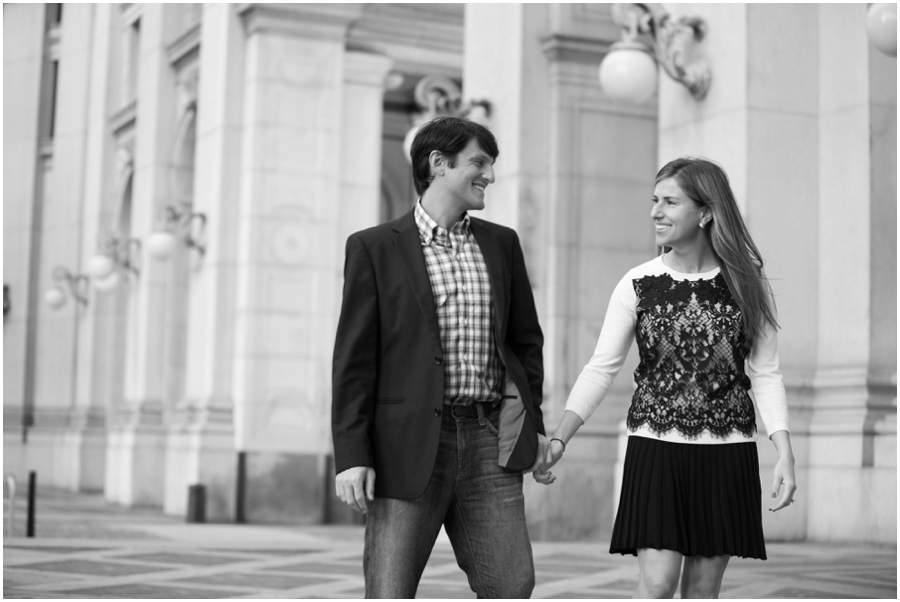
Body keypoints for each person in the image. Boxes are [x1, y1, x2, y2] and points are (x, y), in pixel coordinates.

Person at [537, 157, 797, 599]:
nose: (656, 211)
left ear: (706, 211)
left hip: (727, 453)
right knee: (656, 585)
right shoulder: (638, 283)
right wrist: (560, 436)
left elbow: (765, 373)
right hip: (655, 450)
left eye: (670, 201)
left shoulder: (747, 285)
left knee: (701, 591)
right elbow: (601, 367)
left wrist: (784, 451)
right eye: (654, 200)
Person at [331, 116, 549, 598]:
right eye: (479, 162)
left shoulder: (501, 243)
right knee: (390, 590)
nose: (489, 175)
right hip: (406, 446)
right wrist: (351, 455)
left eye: (490, 165)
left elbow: (525, 345)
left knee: (512, 585)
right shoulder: (372, 248)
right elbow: (353, 361)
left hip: (489, 441)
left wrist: (530, 423)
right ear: (438, 164)